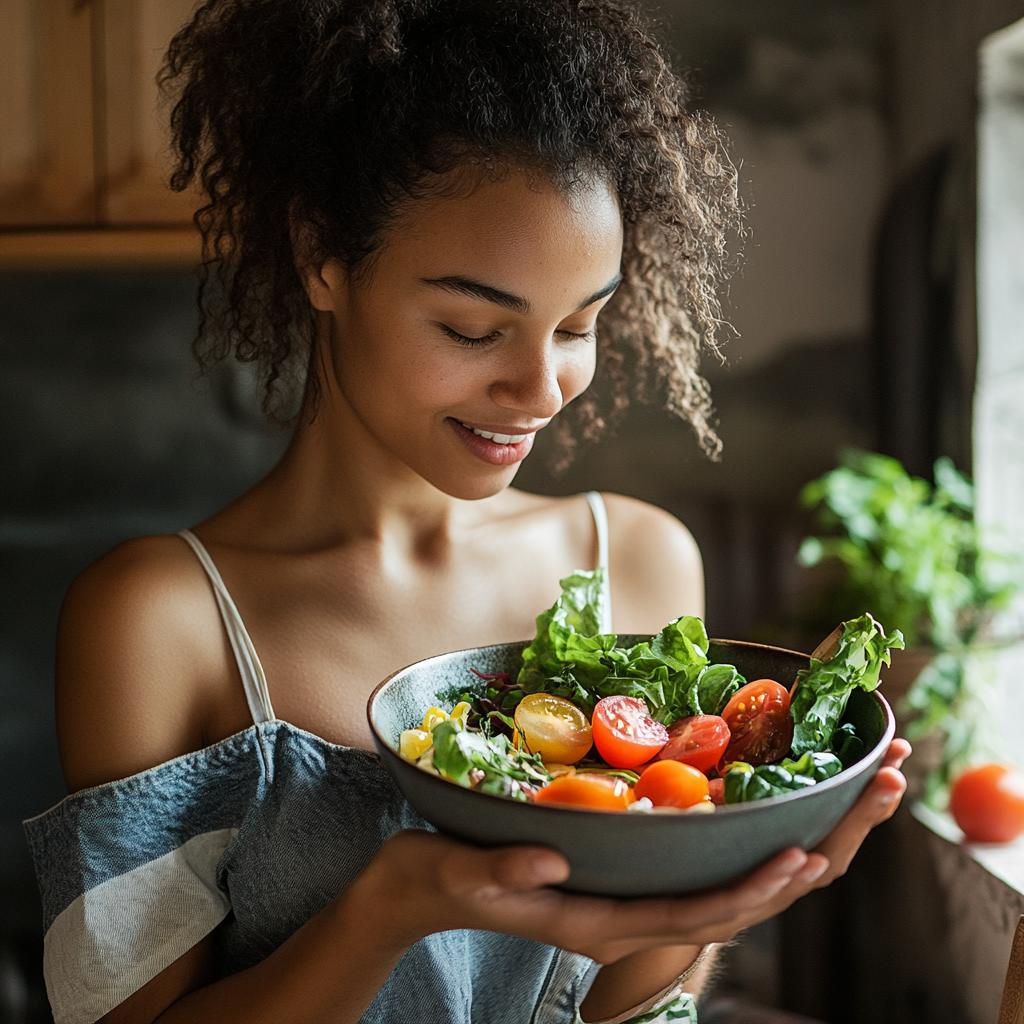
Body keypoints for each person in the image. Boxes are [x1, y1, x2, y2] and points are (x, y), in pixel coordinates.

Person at [25, 2, 910, 1022]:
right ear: (320, 252)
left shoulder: (639, 560)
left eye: (578, 323)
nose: (541, 388)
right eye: (473, 326)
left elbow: (620, 1006)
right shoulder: (159, 620)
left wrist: (730, 885)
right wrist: (389, 908)